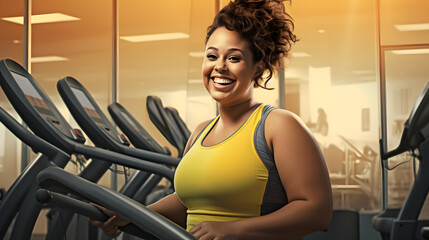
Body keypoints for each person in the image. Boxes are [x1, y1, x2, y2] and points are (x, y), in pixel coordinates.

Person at [90, 0, 333, 239]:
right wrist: (129, 214)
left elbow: (316, 211)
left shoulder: (278, 125)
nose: (220, 66)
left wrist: (232, 229)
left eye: (234, 58)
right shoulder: (201, 132)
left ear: (257, 67)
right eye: (212, 56)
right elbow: (186, 205)